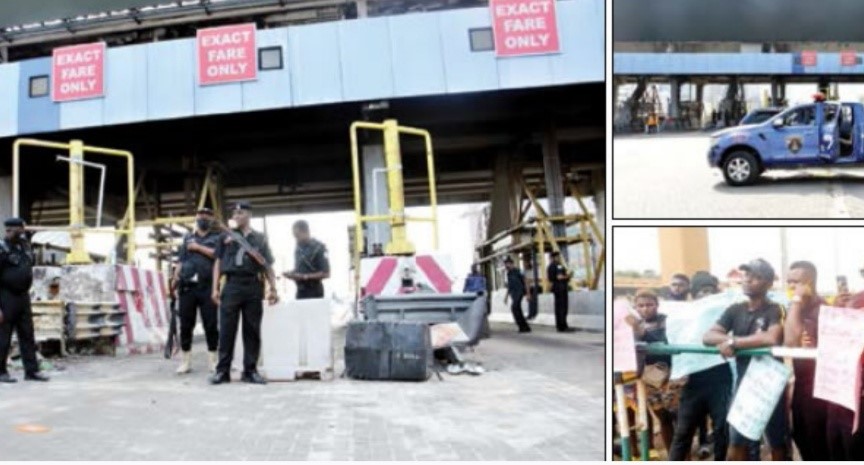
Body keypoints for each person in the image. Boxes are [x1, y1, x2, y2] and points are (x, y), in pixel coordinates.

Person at [703, 258, 787, 461]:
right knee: (736, 441)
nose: (748, 280)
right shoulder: (735, 309)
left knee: (777, 444)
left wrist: (733, 343)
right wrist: (733, 340)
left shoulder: (776, 309)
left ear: (768, 283)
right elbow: (708, 337)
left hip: (769, 384)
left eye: (756, 277)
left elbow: (771, 338)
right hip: (743, 385)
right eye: (746, 276)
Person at [210, 202, 279, 385]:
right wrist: (215, 288)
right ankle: (222, 372)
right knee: (226, 331)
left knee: (252, 331)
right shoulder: (225, 236)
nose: (236, 216)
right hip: (231, 285)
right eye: (234, 213)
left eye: (240, 213)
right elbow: (217, 262)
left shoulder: (260, 239)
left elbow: (267, 264)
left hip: (253, 286)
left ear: (249, 215)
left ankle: (250, 371)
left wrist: (273, 288)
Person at [669, 271, 731, 461]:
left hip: (720, 379)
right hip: (693, 382)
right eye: (701, 291)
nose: (706, 296)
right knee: (683, 432)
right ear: (693, 294)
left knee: (722, 429)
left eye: (710, 291)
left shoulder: (725, 312)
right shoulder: (682, 316)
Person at [783, 260, 830, 460]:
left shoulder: (823, 310)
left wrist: (795, 300)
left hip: (822, 392)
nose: (791, 287)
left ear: (810, 283)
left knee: (818, 445)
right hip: (802, 388)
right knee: (801, 437)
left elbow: (791, 342)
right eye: (789, 282)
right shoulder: (797, 309)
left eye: (796, 282)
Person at [626, 289, 675, 455]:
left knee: (665, 416)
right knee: (642, 416)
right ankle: (644, 452)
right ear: (635, 307)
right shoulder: (631, 324)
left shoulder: (666, 321)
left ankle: (674, 455)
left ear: (657, 305)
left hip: (664, 376)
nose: (645, 309)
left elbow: (665, 344)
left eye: (649, 305)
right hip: (641, 377)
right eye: (641, 305)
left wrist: (643, 333)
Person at [172, 207, 221, 374]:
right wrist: (175, 278)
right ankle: (185, 362)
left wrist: (199, 248)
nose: (203, 217)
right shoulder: (187, 237)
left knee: (211, 325)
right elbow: (180, 260)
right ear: (196, 217)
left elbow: (218, 257)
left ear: (212, 218)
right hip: (187, 287)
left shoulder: (217, 238)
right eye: (200, 215)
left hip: (207, 288)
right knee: (186, 325)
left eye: (207, 215)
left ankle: (213, 362)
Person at [0, 218, 49, 383]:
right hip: (6, 297)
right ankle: (1, 372)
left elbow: (28, 266)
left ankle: (31, 371)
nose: (9, 233)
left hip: (23, 297)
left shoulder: (25, 247)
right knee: (3, 336)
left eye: (13, 230)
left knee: (28, 335)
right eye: (7, 230)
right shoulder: (1, 248)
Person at [283, 220, 330, 300]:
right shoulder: (298, 249)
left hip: (314, 291)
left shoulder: (319, 248)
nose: (296, 239)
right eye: (294, 236)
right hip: (300, 291)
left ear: (306, 232)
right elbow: (301, 268)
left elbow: (326, 273)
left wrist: (305, 277)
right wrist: (292, 274)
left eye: (297, 236)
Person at [547, 251, 575, 333]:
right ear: (553, 258)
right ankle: (563, 326)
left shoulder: (554, 266)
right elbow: (559, 277)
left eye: (558, 257)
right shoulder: (555, 266)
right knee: (562, 308)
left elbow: (559, 277)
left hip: (559, 288)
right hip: (560, 288)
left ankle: (561, 326)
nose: (558, 258)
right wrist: (568, 276)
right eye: (557, 257)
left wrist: (567, 276)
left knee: (560, 308)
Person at [503, 257, 531, 333]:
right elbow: (509, 286)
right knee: (517, 309)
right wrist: (506, 297)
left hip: (519, 292)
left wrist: (528, 294)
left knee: (514, 307)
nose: (506, 265)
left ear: (511, 263)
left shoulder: (518, 271)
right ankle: (524, 327)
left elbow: (526, 281)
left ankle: (523, 326)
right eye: (505, 264)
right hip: (513, 294)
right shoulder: (508, 273)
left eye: (507, 263)